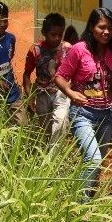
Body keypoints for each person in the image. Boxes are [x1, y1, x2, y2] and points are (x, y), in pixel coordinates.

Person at [54, 7, 112, 199]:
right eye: (101, 27)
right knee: (93, 159)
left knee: (99, 160)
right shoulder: (79, 49)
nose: (106, 32)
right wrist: (71, 93)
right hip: (82, 113)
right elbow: (60, 77)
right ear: (91, 27)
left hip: (106, 115)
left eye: (110, 28)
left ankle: (90, 198)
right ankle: (80, 204)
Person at [22, 12, 71, 144]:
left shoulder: (67, 49)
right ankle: (47, 154)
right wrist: (30, 97)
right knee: (46, 129)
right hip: (42, 94)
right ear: (44, 32)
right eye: (53, 34)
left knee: (60, 122)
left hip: (61, 92)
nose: (57, 38)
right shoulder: (35, 50)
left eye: (60, 35)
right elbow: (27, 74)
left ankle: (52, 156)